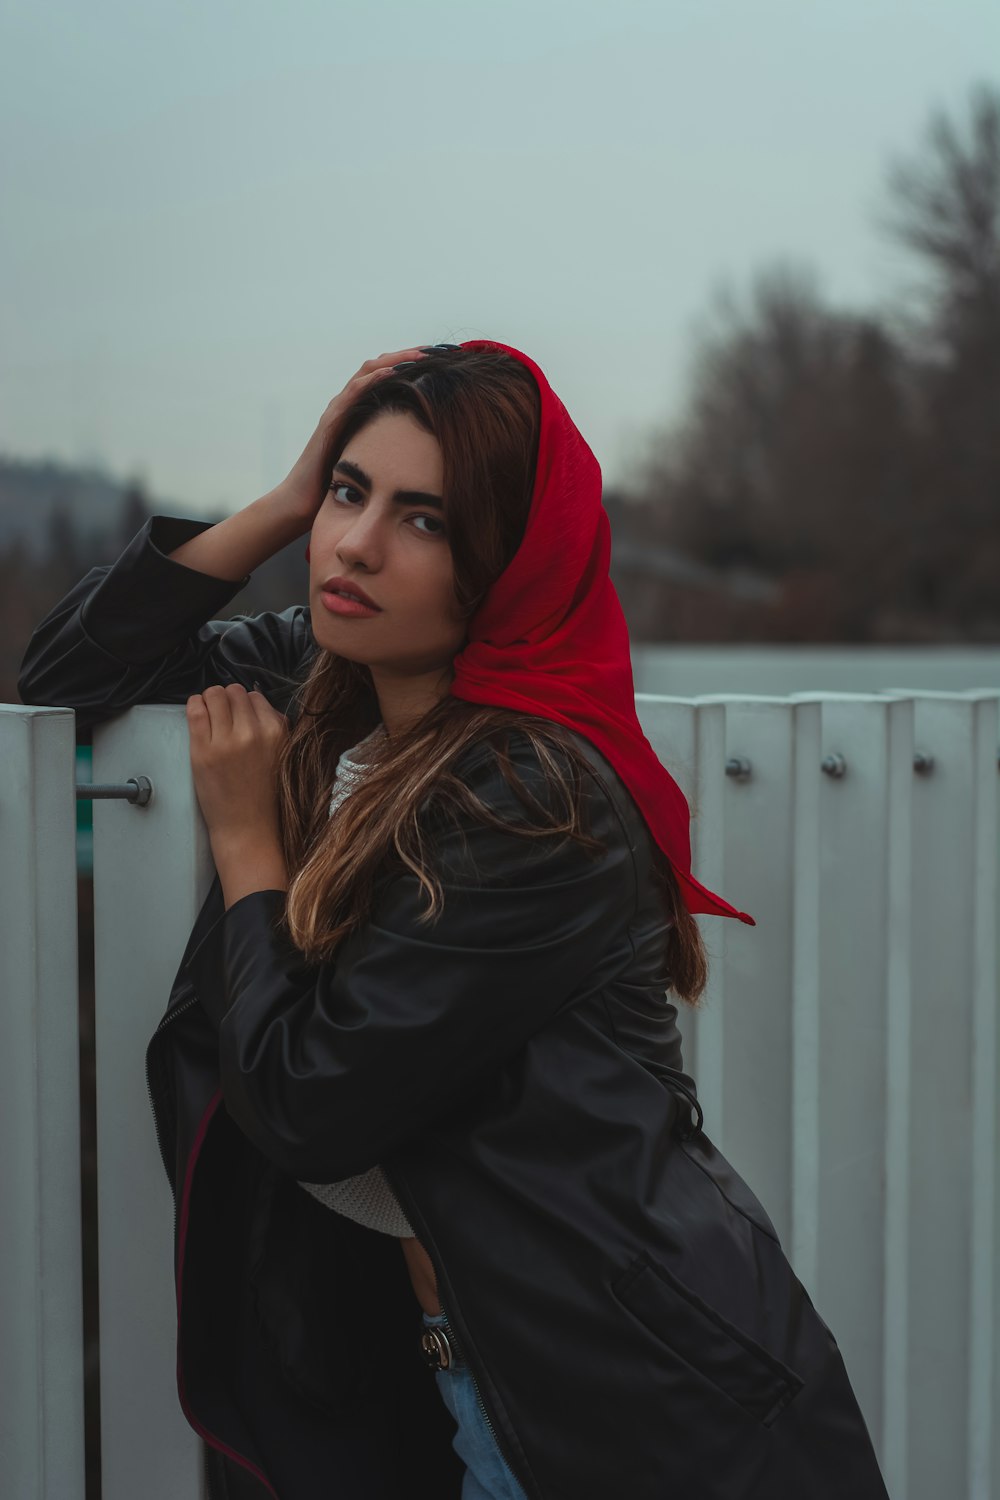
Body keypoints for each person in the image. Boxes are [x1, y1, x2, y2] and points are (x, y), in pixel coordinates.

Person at [17, 340, 891, 1500]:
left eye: (423, 521)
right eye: (349, 491)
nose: (357, 544)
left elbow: (310, 1103)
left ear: (506, 565)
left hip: (620, 1411)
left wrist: (246, 849)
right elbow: (63, 675)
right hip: (459, 1374)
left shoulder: (535, 797)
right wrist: (282, 502)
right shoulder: (334, 688)